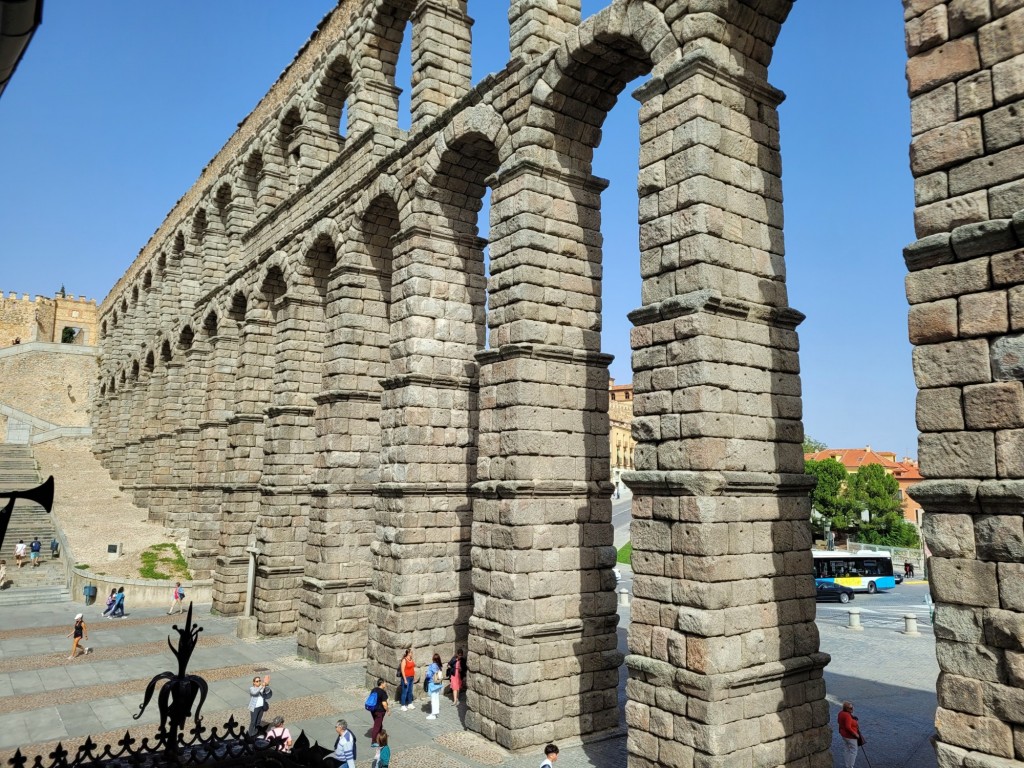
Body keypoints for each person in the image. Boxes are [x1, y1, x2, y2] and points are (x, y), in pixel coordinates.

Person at [837, 700, 861, 768]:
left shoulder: (841, 713)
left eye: (852, 707)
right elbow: (848, 727)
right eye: (850, 708)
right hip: (850, 736)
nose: (852, 709)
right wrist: (855, 734)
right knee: (854, 751)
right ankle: (851, 766)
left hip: (844, 735)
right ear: (846, 708)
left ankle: (847, 765)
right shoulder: (847, 716)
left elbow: (839, 722)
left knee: (847, 749)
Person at [426, 653, 443, 720]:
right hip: (438, 684)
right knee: (436, 699)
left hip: (433, 684)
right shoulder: (439, 666)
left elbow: (429, 675)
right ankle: (436, 712)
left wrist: (426, 674)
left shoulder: (432, 665)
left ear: (433, 659)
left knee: (433, 700)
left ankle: (433, 714)